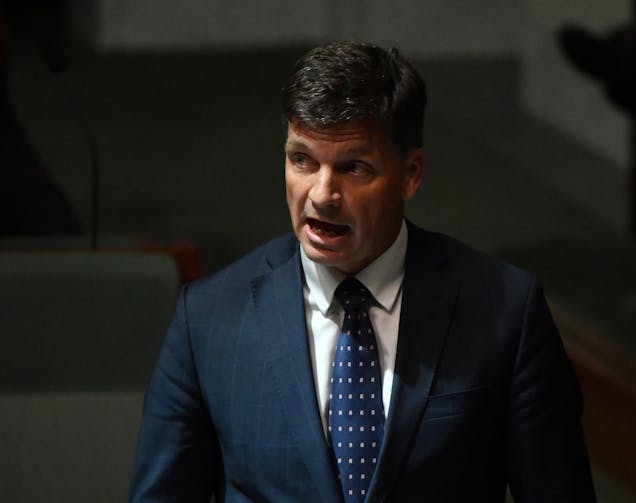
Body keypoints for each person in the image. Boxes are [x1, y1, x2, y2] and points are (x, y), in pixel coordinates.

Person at [130, 41, 596, 502]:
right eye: (302, 160)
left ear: (411, 173)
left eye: (354, 168)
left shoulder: (506, 312)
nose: (322, 194)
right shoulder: (208, 318)